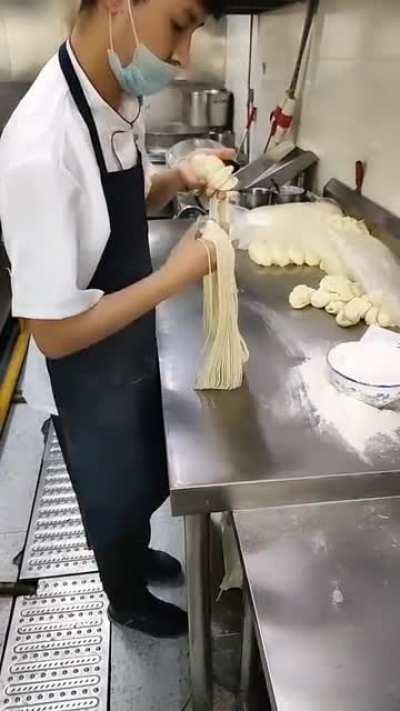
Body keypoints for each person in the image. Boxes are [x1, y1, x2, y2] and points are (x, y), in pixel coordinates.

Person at [0, 0, 232, 638]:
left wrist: (177, 177)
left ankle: (132, 550)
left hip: (122, 345)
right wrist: (174, 277)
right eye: (180, 24)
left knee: (139, 475)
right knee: (107, 491)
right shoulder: (40, 149)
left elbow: (116, 194)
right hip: (82, 375)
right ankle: (122, 596)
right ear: (115, 5)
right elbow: (51, 333)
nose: (184, 56)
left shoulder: (106, 93)